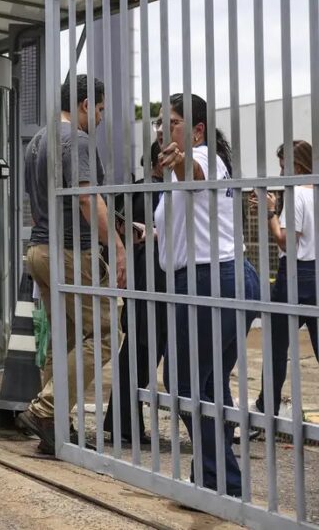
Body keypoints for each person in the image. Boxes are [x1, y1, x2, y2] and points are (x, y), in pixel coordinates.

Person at [155, 93, 260, 497]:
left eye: (174, 122)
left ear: (197, 130)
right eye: (161, 123)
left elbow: (195, 172)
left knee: (183, 382)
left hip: (209, 281)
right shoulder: (183, 172)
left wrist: (180, 160)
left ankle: (224, 482)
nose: (164, 129)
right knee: (210, 385)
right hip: (224, 277)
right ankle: (210, 479)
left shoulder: (205, 158)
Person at [16, 75, 126, 455]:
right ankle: (45, 409)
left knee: (63, 338)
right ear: (83, 105)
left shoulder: (37, 141)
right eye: (98, 109)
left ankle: (54, 424)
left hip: (40, 249)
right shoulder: (75, 139)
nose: (98, 118)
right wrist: (116, 244)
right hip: (69, 251)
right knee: (109, 331)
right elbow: (84, 198)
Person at [104, 141, 167, 444]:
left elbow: (116, 228)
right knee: (145, 353)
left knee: (136, 351)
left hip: (136, 278)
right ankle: (124, 422)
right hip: (158, 281)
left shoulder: (131, 192)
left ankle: (121, 421)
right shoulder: (161, 192)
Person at [252, 140, 317, 427]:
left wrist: (270, 214)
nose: (281, 172)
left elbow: (285, 240)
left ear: (297, 165)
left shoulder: (295, 194)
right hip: (315, 274)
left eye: (283, 165)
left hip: (294, 275)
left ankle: (268, 408)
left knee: (277, 346)